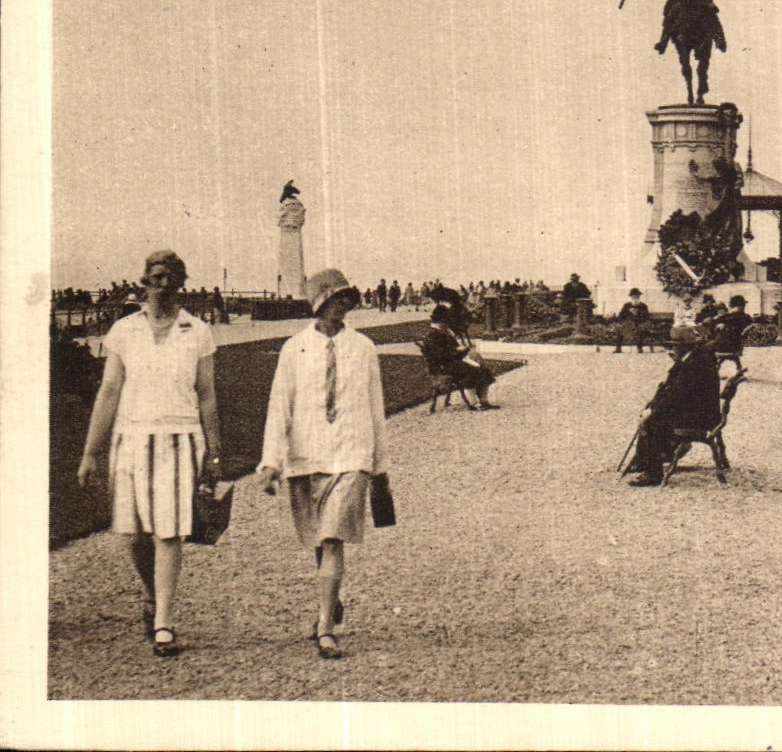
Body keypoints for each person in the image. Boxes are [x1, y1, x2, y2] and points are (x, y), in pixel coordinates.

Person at [76, 250, 222, 657]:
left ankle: (164, 623)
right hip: (131, 437)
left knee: (169, 530)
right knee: (135, 533)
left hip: (180, 436)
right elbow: (109, 391)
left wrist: (214, 451)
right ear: (144, 281)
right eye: (156, 277)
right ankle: (152, 594)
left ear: (182, 283)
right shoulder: (124, 330)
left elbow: (207, 395)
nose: (163, 285)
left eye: (171, 278)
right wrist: (90, 452)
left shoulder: (197, 330)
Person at [250, 269, 390, 660]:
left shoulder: (363, 347)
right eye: (335, 299)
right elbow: (279, 406)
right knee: (319, 538)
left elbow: (376, 407)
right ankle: (331, 596)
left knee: (332, 537)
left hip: (350, 453)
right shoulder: (294, 348)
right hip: (306, 455)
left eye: (346, 298)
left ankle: (325, 626)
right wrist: (270, 462)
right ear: (319, 304)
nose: (342, 305)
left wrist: (380, 464)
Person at [623, 337, 723, 486]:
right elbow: (674, 391)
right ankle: (645, 459)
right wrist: (654, 405)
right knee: (653, 414)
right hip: (698, 411)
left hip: (700, 417)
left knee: (653, 420)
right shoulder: (692, 360)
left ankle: (653, 473)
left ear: (684, 347)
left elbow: (677, 395)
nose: (671, 350)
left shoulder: (694, 365)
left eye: (674, 347)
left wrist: (654, 409)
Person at [422, 303, 498, 409]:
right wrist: (458, 351)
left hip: (452, 362)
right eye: (447, 320)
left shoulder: (443, 333)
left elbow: (452, 349)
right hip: (442, 367)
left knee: (483, 370)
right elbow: (440, 355)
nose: (448, 323)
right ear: (441, 321)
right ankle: (474, 403)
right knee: (472, 370)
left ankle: (483, 400)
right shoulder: (432, 335)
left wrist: (460, 350)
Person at [710, 294, 753, 373]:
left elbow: (713, 323)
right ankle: (739, 369)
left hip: (723, 346)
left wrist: (720, 324)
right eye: (743, 305)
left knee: (707, 346)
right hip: (735, 346)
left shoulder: (727, 317)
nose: (744, 307)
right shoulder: (746, 317)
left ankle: (712, 372)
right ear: (741, 306)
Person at [614, 288, 651, 354]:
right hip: (628, 326)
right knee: (620, 329)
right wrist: (628, 311)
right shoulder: (627, 305)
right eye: (634, 297)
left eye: (637, 296)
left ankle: (639, 348)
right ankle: (618, 348)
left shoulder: (643, 306)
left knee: (640, 330)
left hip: (639, 324)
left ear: (639, 297)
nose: (635, 298)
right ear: (631, 297)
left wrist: (638, 314)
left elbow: (646, 317)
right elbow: (621, 316)